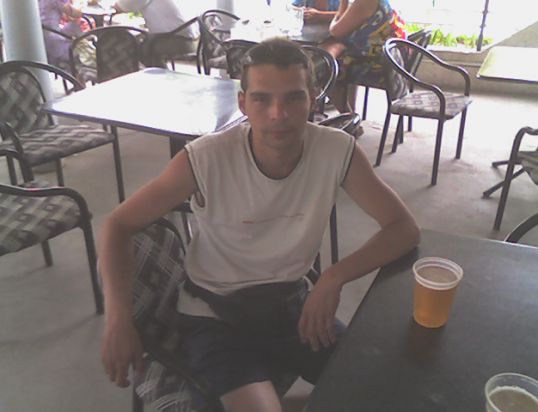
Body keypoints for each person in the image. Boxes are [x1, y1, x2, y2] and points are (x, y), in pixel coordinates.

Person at [100, 38, 419, 412]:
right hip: (216, 317)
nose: (278, 114)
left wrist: (334, 277)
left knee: (384, 392)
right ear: (243, 103)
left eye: (293, 98)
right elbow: (118, 225)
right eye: (262, 99)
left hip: (291, 306)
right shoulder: (205, 158)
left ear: (313, 98)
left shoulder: (337, 151)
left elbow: (403, 227)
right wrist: (117, 319)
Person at [322, 0, 406, 113]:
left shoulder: (364, 2)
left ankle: (348, 116)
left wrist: (340, 8)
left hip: (377, 65)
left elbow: (335, 31)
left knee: (324, 69)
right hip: (385, 57)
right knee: (336, 55)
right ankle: (351, 111)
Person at [113, 0, 199, 67]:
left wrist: (113, 7)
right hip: (191, 38)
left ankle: (160, 78)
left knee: (133, 48)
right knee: (141, 42)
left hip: (177, 40)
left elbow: (124, 6)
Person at [39, 0, 86, 68]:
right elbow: (75, 13)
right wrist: (79, 7)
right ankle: (85, 45)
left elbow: (64, 15)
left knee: (73, 25)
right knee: (74, 25)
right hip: (54, 42)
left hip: (43, 37)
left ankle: (84, 40)